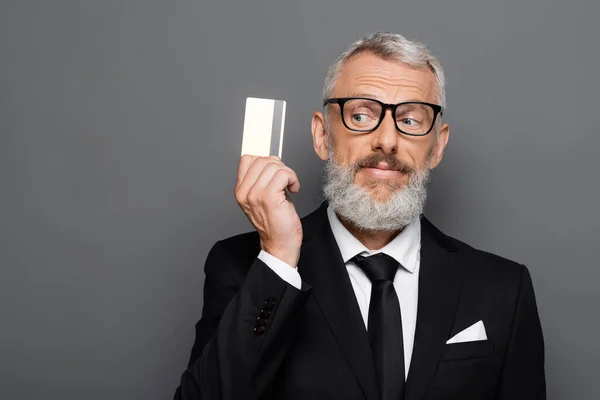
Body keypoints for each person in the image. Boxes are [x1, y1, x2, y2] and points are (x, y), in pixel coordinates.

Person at [174, 32, 545, 400]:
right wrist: (279, 257)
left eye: (411, 120)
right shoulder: (245, 267)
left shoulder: (504, 289)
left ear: (437, 146)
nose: (387, 140)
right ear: (322, 136)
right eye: (361, 115)